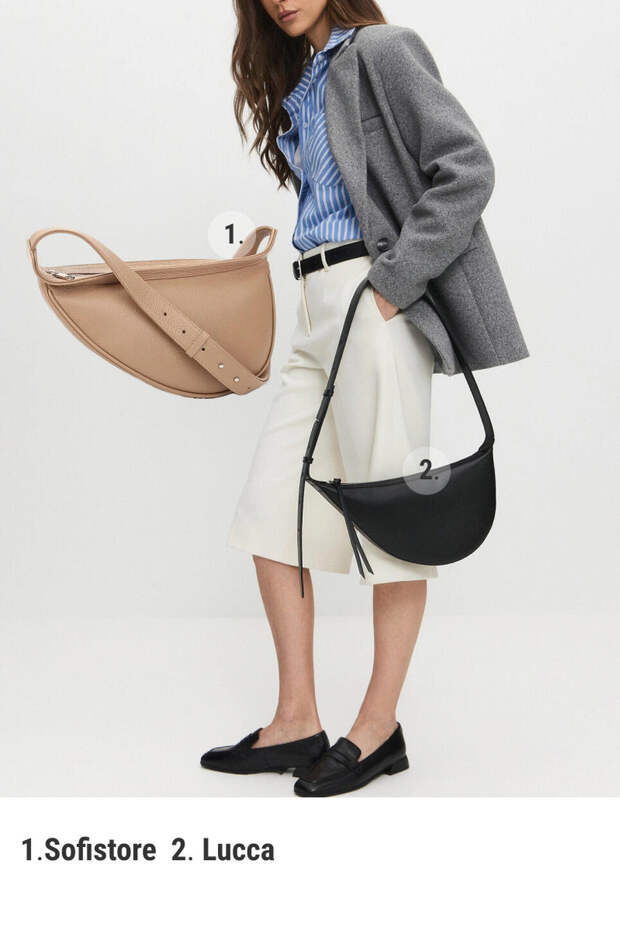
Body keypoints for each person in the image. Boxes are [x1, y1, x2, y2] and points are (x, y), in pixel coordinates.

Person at [200, 0, 528, 797]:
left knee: (395, 518)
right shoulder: (304, 78)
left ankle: (378, 728)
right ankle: (296, 719)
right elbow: (334, 194)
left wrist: (393, 283)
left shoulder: (382, 50)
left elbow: (468, 168)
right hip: (315, 304)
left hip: (372, 302)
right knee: (272, 512)